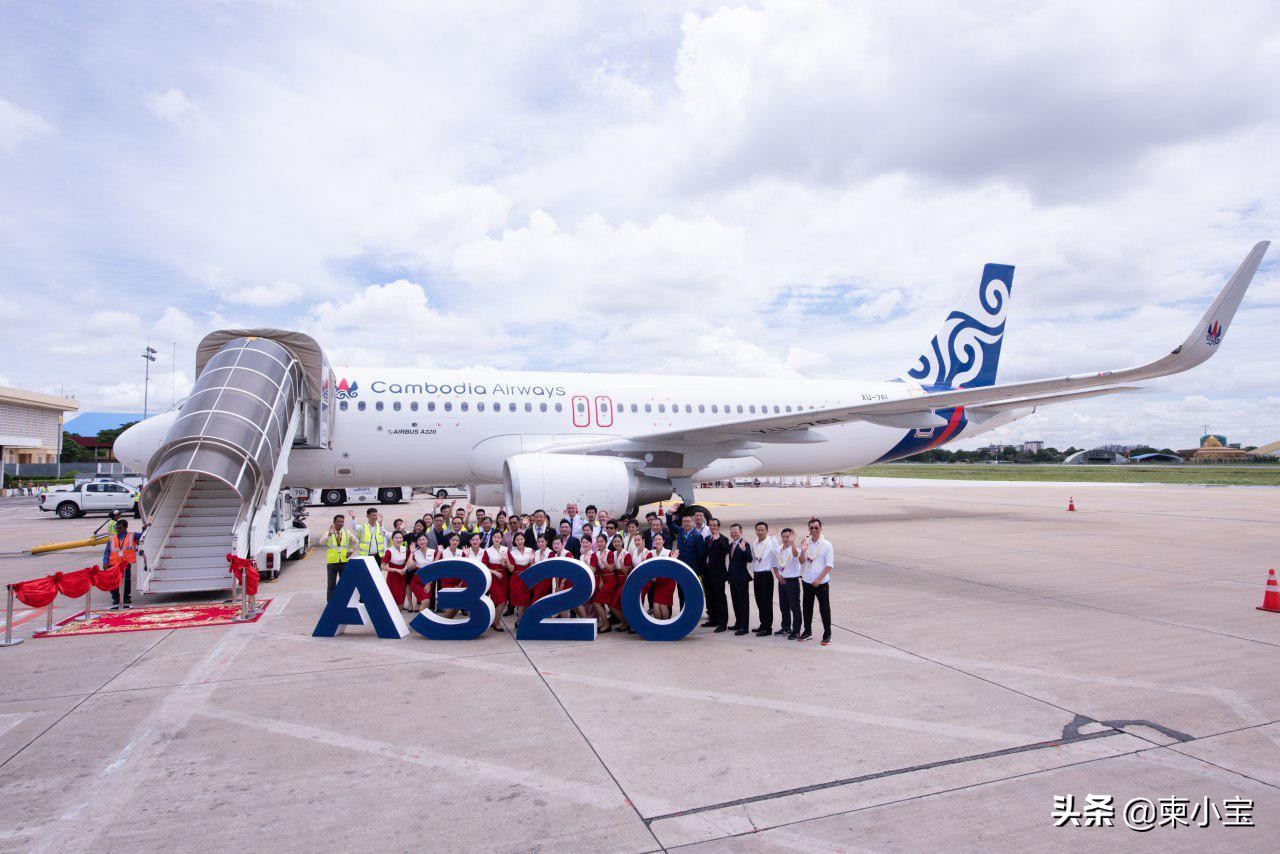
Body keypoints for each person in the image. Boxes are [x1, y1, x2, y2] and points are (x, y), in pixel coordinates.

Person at [799, 517, 833, 645]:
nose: (813, 530)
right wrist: (802, 550)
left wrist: (819, 579)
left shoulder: (826, 544)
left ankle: (827, 634)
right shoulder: (805, 542)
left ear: (821, 529)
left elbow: (829, 565)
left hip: (821, 582)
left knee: (824, 609)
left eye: (816, 528)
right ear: (809, 529)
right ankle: (807, 631)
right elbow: (801, 561)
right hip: (807, 580)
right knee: (807, 607)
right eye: (811, 528)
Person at [775, 527, 803, 640]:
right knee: (783, 606)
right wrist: (777, 575)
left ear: (792, 537)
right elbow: (775, 564)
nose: (785, 539)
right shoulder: (779, 548)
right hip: (781, 581)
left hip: (792, 582)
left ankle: (796, 631)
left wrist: (792, 544)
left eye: (788, 537)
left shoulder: (795, 549)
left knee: (794, 607)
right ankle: (786, 627)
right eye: (784, 537)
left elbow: (796, 555)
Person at [702, 518, 731, 632]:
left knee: (720, 598)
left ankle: (722, 623)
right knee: (710, 597)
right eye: (710, 525)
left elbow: (725, 551)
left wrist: (717, 539)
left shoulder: (723, 539)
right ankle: (713, 619)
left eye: (715, 525)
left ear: (718, 527)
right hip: (707, 572)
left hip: (718, 573)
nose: (712, 527)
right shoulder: (707, 538)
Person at [103, 518, 139, 609]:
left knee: (127, 581)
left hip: (125, 563)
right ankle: (115, 597)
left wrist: (144, 529)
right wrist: (105, 562)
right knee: (113, 581)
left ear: (126, 527)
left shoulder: (132, 535)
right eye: (117, 528)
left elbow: (144, 536)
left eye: (120, 528)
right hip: (113, 563)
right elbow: (107, 551)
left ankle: (126, 597)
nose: (118, 530)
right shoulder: (112, 538)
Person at [750, 522, 777, 636]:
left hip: (766, 575)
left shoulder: (771, 542)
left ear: (766, 531)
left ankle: (768, 628)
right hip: (757, 575)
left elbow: (777, 552)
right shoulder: (754, 543)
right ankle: (762, 624)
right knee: (759, 601)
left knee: (767, 602)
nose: (760, 532)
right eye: (758, 530)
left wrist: (774, 537)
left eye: (762, 530)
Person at [726, 523, 753, 635]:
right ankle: (738, 623)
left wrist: (743, 550)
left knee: (743, 603)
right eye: (732, 531)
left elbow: (750, 559)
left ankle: (744, 627)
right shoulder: (731, 544)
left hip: (742, 579)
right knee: (735, 602)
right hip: (732, 578)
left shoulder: (744, 544)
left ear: (741, 532)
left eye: (736, 531)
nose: (733, 533)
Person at [325, 513, 358, 602]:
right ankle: (331, 602)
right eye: (338, 522)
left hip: (343, 561)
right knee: (331, 584)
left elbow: (356, 542)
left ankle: (344, 601)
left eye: (342, 522)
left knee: (344, 583)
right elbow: (321, 542)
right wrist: (329, 534)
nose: (340, 523)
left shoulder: (346, 533)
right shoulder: (329, 533)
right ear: (334, 522)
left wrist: (351, 551)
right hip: (332, 562)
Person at [645, 533, 676, 621]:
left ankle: (665, 624)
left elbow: (671, 569)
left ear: (663, 541)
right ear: (653, 541)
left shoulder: (668, 552)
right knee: (655, 604)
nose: (657, 541)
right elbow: (646, 568)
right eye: (655, 540)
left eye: (659, 539)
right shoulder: (650, 553)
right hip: (657, 582)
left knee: (663, 604)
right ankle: (658, 624)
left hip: (668, 582)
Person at [436, 532, 467, 618]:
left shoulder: (462, 552)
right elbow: (435, 565)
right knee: (450, 604)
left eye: (457, 540)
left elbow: (465, 569)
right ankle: (443, 622)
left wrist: (461, 583)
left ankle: (447, 621)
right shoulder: (443, 552)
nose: (455, 542)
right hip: (446, 581)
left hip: (459, 581)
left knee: (456, 606)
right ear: (449, 540)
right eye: (453, 540)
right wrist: (439, 552)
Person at [587, 533, 614, 631]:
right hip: (603, 580)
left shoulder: (610, 553)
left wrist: (603, 562)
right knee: (603, 603)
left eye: (602, 541)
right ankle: (606, 623)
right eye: (598, 541)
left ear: (606, 542)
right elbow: (594, 570)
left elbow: (611, 569)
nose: (600, 543)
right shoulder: (594, 555)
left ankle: (606, 624)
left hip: (611, 580)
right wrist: (585, 563)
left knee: (597, 602)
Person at [481, 534, 508, 631]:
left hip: (504, 577)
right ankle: (496, 622)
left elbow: (507, 565)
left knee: (502, 601)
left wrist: (504, 562)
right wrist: (494, 572)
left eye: (499, 537)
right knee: (501, 601)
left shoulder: (505, 549)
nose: (497, 539)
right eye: (495, 537)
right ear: (492, 538)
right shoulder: (487, 551)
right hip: (493, 577)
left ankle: (494, 621)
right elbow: (484, 566)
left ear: (501, 539)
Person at [506, 532, 534, 625]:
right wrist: (507, 560)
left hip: (528, 578)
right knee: (521, 602)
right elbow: (511, 569)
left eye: (521, 539)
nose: (519, 541)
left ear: (524, 540)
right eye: (517, 539)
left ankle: (518, 621)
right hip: (517, 579)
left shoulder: (530, 550)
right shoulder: (512, 553)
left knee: (527, 601)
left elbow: (532, 564)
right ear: (514, 541)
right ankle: (522, 624)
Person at [408, 532, 435, 612]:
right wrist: (411, 553)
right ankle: (420, 622)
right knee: (425, 601)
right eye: (419, 540)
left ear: (427, 540)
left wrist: (429, 582)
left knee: (426, 603)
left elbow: (435, 569)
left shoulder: (433, 552)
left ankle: (422, 621)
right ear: (417, 542)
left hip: (429, 580)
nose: (422, 541)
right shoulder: (415, 553)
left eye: (423, 539)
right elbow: (409, 566)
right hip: (417, 581)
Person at [383, 530, 409, 609]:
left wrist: (405, 568)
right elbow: (383, 566)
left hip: (402, 576)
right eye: (396, 538)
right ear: (392, 539)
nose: (399, 540)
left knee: (401, 600)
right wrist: (396, 570)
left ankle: (399, 618)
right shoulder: (389, 551)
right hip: (393, 578)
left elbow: (407, 562)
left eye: (400, 538)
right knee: (393, 601)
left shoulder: (404, 548)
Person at [530, 534, 554, 602]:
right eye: (538, 542)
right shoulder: (536, 552)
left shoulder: (550, 552)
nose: (540, 544)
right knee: (536, 599)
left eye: (542, 541)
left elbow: (550, 569)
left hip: (545, 579)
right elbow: (533, 567)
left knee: (537, 600)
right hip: (536, 579)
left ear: (546, 542)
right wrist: (532, 560)